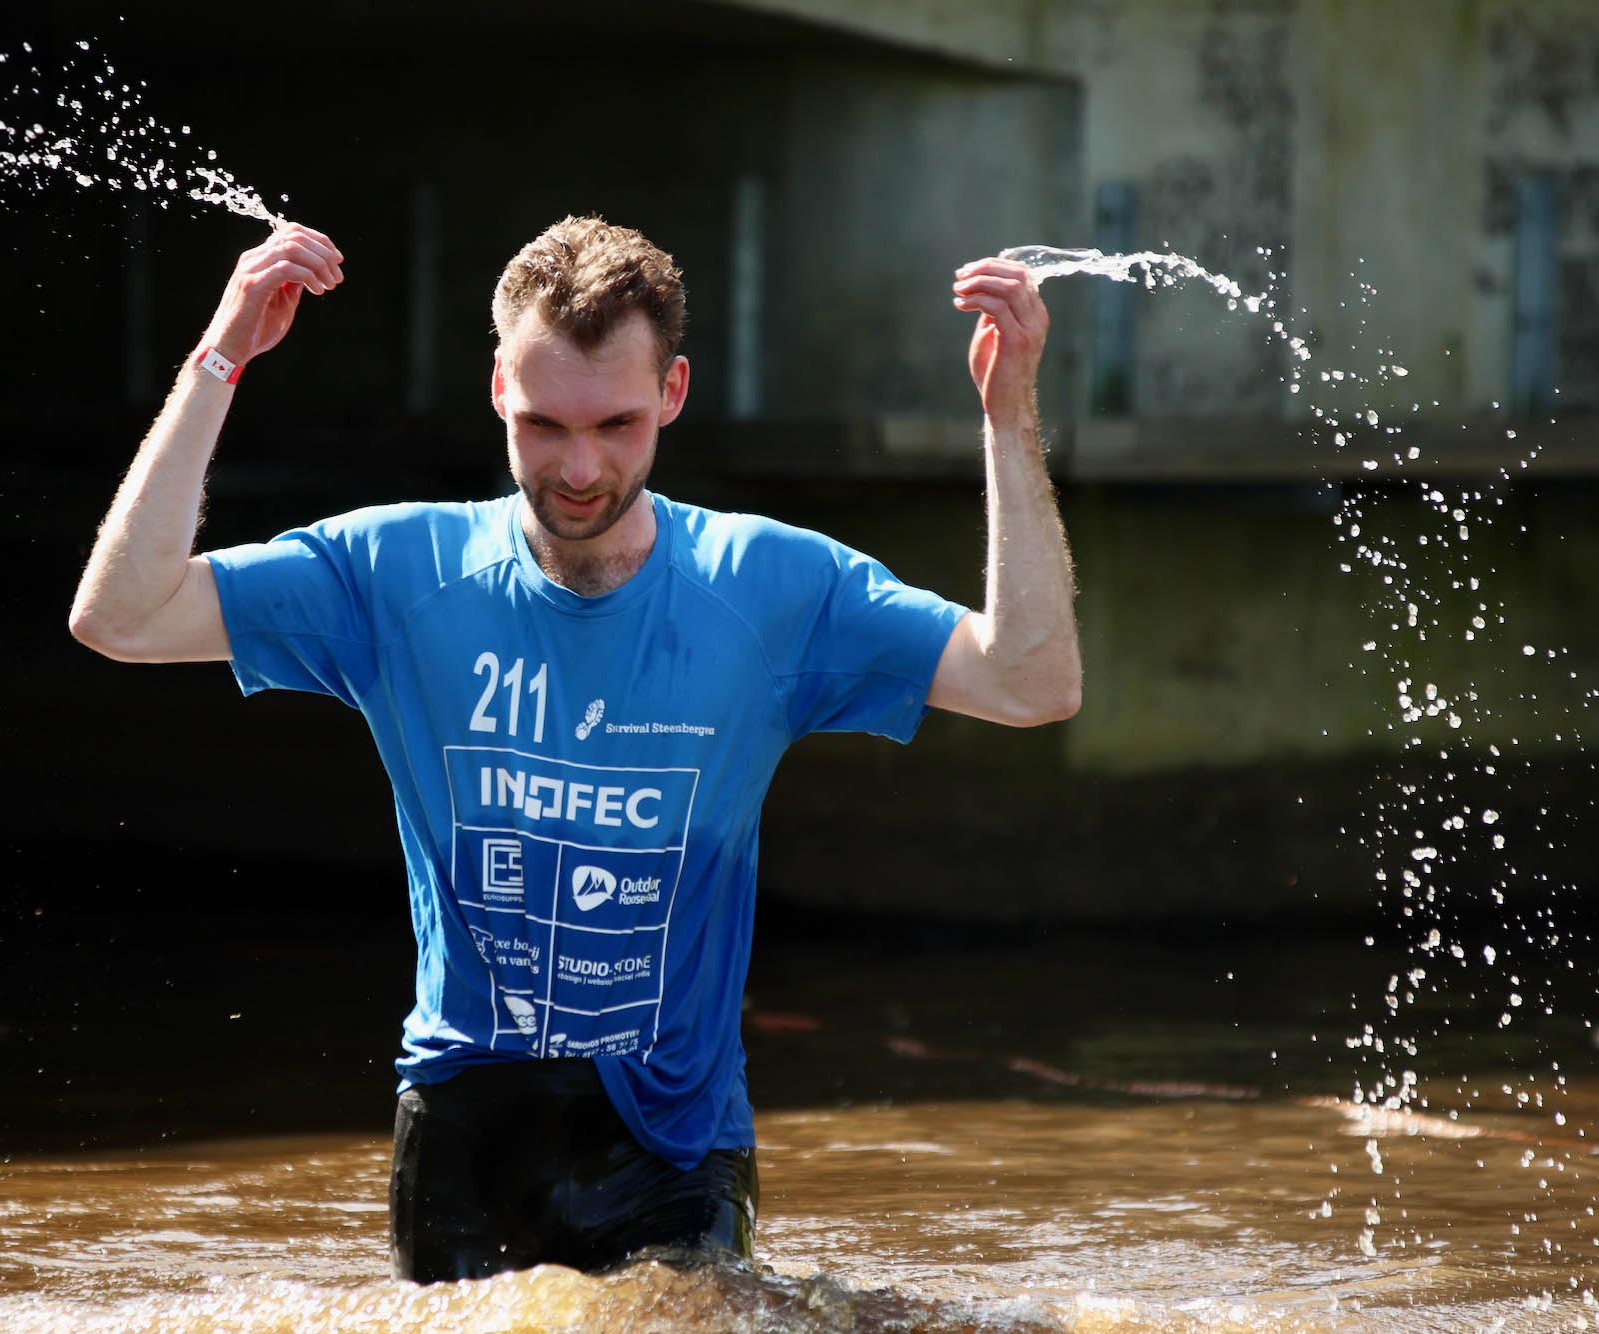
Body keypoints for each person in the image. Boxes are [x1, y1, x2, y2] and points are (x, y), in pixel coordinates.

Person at [68, 215, 1080, 1282]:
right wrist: (221, 355)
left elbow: (1030, 681)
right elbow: (121, 616)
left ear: (674, 394)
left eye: (617, 424)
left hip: (674, 1139)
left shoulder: (770, 587)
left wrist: (1008, 416)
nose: (580, 468)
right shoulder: (392, 572)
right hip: (464, 1122)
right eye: (546, 424)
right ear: (498, 386)